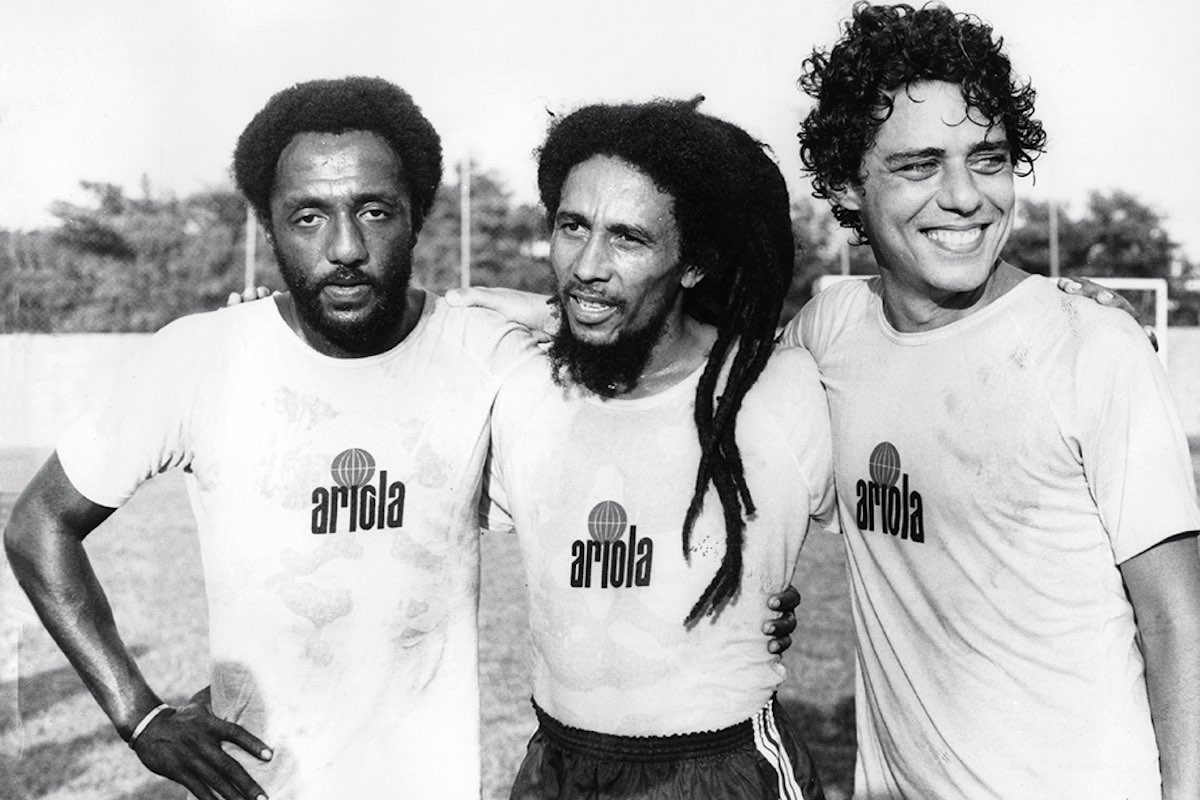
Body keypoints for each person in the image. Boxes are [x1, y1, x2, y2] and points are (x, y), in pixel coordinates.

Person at [5, 77, 800, 800]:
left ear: (418, 214)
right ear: (270, 224)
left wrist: (755, 590)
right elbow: (39, 524)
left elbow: (645, 377)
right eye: (308, 216)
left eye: (374, 211)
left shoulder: (491, 356)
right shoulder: (198, 358)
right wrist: (137, 715)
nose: (345, 247)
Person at [781, 4, 1200, 798]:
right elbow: (709, 403)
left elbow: (1182, 622)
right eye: (918, 165)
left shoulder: (1091, 346)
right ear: (846, 181)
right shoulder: (829, 334)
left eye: (990, 158)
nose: (965, 195)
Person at [484, 99, 835, 800]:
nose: (588, 265)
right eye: (571, 227)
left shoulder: (778, 390)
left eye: (628, 238)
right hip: (557, 764)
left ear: (694, 263)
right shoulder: (520, 389)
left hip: (721, 769)